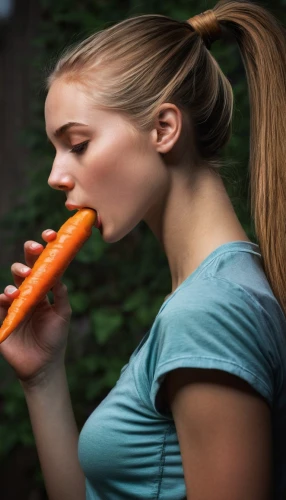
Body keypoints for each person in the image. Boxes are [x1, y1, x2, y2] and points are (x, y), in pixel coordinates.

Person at [0, 0, 286, 498]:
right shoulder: (216, 291)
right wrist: (42, 377)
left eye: (78, 144)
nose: (55, 176)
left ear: (163, 129)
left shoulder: (207, 313)